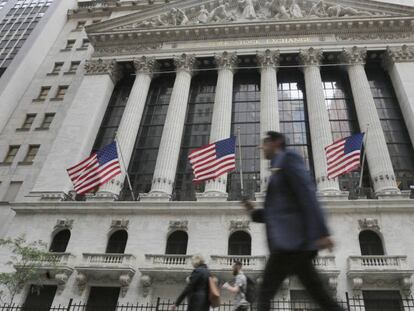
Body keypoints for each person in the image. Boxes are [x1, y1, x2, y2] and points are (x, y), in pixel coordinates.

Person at [243, 131, 343, 311]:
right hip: (290, 246)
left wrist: (322, 232)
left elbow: (307, 194)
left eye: (265, 143)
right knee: (321, 297)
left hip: (292, 243)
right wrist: (253, 212)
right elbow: (276, 212)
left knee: (264, 294)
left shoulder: (289, 159)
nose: (261, 147)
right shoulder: (276, 169)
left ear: (277, 143)